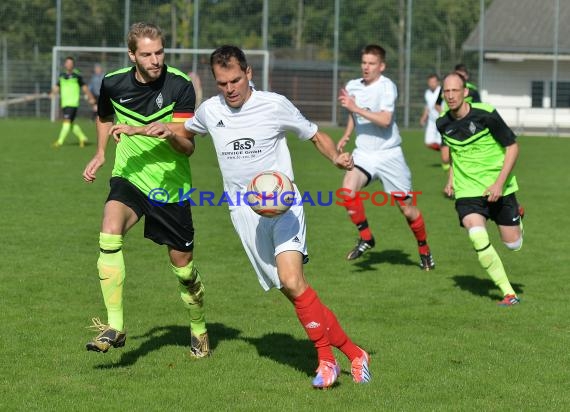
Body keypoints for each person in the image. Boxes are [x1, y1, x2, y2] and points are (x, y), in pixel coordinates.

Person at [113, 45, 371, 389]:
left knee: (293, 280)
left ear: (249, 74)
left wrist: (335, 159)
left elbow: (313, 134)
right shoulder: (210, 110)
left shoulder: (274, 104)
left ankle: (326, 361)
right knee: (292, 291)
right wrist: (144, 131)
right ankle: (355, 353)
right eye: (222, 83)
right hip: (244, 213)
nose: (230, 88)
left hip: (283, 203)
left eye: (235, 80)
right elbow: (185, 135)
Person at [81, 22, 211, 358]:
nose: (155, 60)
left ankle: (198, 327)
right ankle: (115, 325)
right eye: (147, 54)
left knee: (183, 271)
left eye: (159, 53)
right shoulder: (113, 82)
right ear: (132, 55)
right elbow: (104, 116)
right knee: (109, 233)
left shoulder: (180, 86)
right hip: (129, 177)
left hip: (169, 186)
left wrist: (170, 135)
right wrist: (100, 153)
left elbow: (188, 148)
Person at [337, 44, 435, 270]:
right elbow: (354, 114)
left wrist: (355, 107)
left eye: (371, 64)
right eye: (364, 63)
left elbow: (384, 120)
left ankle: (424, 249)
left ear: (382, 66)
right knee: (347, 190)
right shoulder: (353, 86)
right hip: (364, 153)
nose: (366, 67)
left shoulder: (387, 86)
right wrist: (347, 135)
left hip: (390, 154)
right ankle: (367, 237)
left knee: (407, 210)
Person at [436, 72, 523, 306]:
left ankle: (517, 216)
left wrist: (499, 183)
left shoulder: (486, 114)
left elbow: (512, 147)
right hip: (467, 191)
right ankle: (508, 293)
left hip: (499, 187)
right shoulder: (442, 123)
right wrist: (451, 178)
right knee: (476, 234)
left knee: (513, 244)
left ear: (465, 92)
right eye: (447, 91)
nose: (451, 96)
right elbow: (456, 152)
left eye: (455, 91)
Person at [436, 64, 481, 172]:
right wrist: (444, 115)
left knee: (464, 156)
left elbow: (478, 107)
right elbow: (437, 104)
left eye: (463, 75)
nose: (451, 95)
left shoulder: (472, 90)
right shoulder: (445, 88)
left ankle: (455, 181)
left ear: (466, 77)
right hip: (449, 124)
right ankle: (451, 178)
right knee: (445, 158)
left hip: (466, 125)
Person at [51, 56, 96, 148]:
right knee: (70, 123)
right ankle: (82, 138)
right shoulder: (62, 76)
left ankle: (59, 142)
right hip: (64, 103)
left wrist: (91, 98)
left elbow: (85, 88)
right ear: (65, 64)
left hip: (73, 103)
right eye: (67, 63)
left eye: (71, 63)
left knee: (66, 122)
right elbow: (56, 87)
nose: (69, 65)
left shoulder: (77, 76)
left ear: (73, 65)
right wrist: (52, 93)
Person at [419, 73, 442, 151]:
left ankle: (446, 156)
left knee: (441, 142)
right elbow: (428, 107)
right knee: (428, 142)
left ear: (438, 82)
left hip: (441, 120)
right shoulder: (427, 93)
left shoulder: (442, 91)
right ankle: (444, 152)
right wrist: (423, 117)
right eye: (430, 82)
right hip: (431, 121)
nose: (432, 84)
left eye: (434, 82)